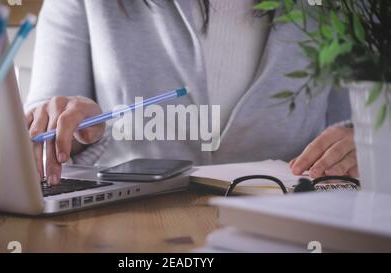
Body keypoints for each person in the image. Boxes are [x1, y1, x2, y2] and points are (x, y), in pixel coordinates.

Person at [25, 0, 357, 185]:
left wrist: (365, 144)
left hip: (293, 229)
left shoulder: (343, 8)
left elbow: (360, 126)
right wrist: (76, 132)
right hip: (130, 231)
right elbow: (41, 137)